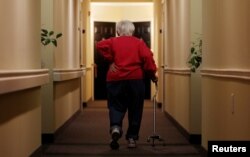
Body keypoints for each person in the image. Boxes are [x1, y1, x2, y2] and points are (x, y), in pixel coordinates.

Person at [96, 20, 158, 150]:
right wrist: (152, 74)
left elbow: (99, 45)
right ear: (132, 31)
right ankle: (131, 138)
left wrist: (111, 60)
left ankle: (116, 127)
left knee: (115, 105)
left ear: (118, 31)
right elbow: (148, 58)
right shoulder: (139, 43)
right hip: (135, 80)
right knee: (135, 108)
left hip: (115, 79)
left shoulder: (112, 41)